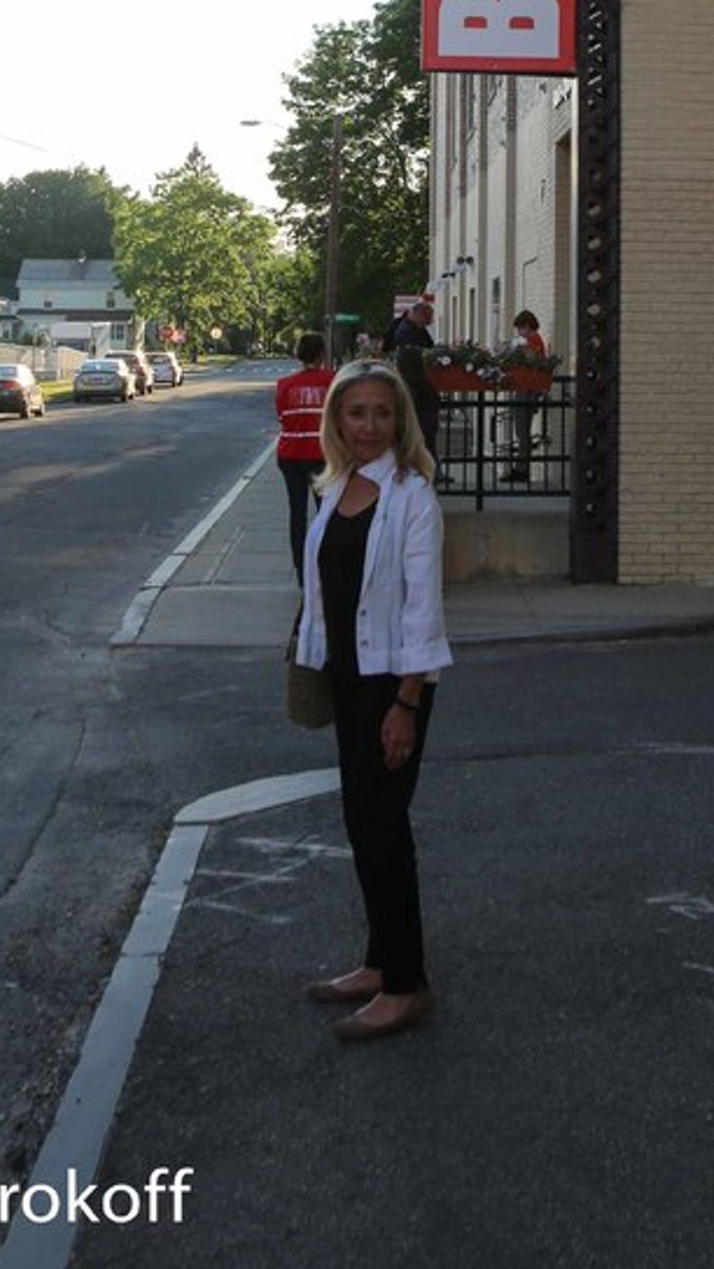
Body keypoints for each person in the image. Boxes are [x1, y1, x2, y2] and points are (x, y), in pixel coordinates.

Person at [294, 359, 451, 1041]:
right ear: (337, 420)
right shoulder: (334, 486)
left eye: (381, 414)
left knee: (386, 830)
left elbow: (424, 608)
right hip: (348, 678)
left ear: (399, 421)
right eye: (355, 413)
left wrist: (406, 703)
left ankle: (405, 984)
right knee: (362, 823)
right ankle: (378, 961)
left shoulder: (413, 496)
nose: (367, 425)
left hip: (394, 683)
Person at [274, 331, 335, 584]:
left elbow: (281, 417)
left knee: (297, 513)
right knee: (327, 513)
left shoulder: (285, 385)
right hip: (322, 455)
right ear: (322, 354)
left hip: (290, 455)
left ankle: (301, 569)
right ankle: (325, 564)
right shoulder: (333, 381)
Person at [389, 296, 440, 465]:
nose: (430, 322)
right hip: (417, 390)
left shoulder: (416, 330)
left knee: (426, 433)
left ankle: (430, 467)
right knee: (422, 432)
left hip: (421, 390)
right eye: (428, 319)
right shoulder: (406, 332)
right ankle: (425, 467)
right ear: (419, 315)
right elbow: (416, 358)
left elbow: (430, 348)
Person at [506, 308, 547, 481]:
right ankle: (520, 467)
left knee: (522, 431)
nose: (519, 333)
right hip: (525, 388)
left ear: (527, 326)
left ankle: (522, 470)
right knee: (521, 430)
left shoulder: (534, 340)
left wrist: (517, 349)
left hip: (527, 389)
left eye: (520, 328)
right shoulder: (532, 340)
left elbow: (530, 360)